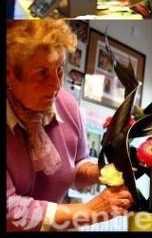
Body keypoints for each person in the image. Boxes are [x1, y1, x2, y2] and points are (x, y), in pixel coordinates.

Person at [6, 20, 133, 231]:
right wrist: (91, 210)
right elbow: (9, 210)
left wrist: (102, 172)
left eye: (60, 70)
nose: (56, 86)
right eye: (41, 73)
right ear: (9, 75)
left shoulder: (67, 105)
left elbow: (76, 165)